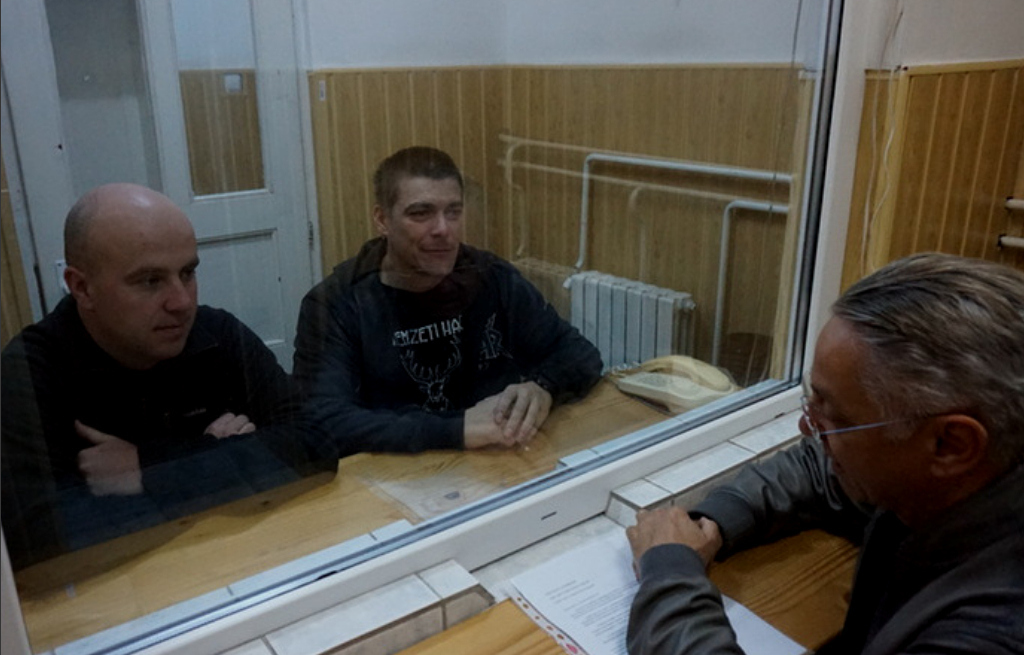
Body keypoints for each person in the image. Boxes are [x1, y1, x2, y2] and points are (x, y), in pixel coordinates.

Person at [625, 253, 1024, 654]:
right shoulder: (966, 483)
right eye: (811, 401)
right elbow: (819, 469)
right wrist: (714, 523)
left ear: (951, 444)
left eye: (836, 416)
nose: (807, 427)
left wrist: (670, 575)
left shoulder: (993, 632)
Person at [1, 183, 335, 570]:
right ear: (82, 287)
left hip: (247, 565)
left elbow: (316, 444)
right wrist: (225, 460)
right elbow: (33, 539)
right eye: (150, 280)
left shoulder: (216, 334)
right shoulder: (29, 374)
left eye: (188, 273)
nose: (181, 302)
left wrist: (148, 468)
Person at [293, 146, 603, 454]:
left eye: (453, 212)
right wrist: (457, 430)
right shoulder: (337, 303)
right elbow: (323, 422)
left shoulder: (490, 276)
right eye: (421, 213)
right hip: (399, 471)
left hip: (498, 459)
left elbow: (579, 353)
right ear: (382, 219)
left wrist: (543, 387)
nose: (443, 229)